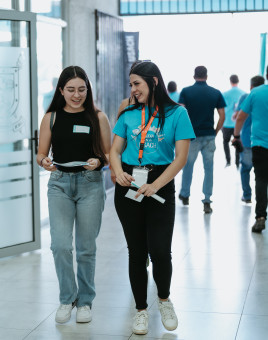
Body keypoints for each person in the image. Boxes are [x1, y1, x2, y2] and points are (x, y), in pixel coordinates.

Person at [110, 61, 195, 335]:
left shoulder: (178, 114)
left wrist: (156, 185)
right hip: (129, 185)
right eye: (131, 84)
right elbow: (115, 150)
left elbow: (180, 158)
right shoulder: (128, 112)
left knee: (159, 250)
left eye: (137, 84)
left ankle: (164, 300)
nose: (133, 90)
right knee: (136, 252)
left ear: (154, 82)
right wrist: (118, 171)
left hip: (160, 184)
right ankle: (141, 310)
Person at [37, 65, 111, 323]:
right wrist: (44, 161)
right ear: (61, 90)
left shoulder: (98, 117)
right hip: (59, 185)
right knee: (60, 245)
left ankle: (85, 302)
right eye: (71, 90)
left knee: (85, 248)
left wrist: (99, 161)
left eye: (82, 89)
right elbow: (40, 154)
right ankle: (67, 298)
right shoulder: (51, 118)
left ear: (88, 90)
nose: (76, 94)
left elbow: (109, 154)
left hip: (90, 184)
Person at [178, 66, 226, 213]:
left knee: (187, 166)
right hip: (209, 136)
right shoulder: (215, 93)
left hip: (191, 137)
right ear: (206, 75)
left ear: (194, 76)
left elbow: (181, 113)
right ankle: (207, 200)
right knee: (209, 169)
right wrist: (215, 131)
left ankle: (185, 195)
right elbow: (222, 116)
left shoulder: (186, 92)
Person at [233, 67, 268, 233]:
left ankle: (260, 217)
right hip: (259, 144)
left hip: (260, 145)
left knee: (261, 180)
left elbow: (240, 117)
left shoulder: (256, 93)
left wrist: (236, 136)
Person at [232, 75, 265, 203]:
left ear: (251, 86)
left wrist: (236, 136)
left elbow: (237, 117)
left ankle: (247, 195)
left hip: (246, 139)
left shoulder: (245, 97)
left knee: (245, 169)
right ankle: (262, 200)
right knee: (261, 173)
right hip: (262, 140)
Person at [222, 74, 245, 167]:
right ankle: (237, 162)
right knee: (238, 142)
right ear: (238, 81)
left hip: (227, 123)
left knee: (225, 142)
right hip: (238, 124)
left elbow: (221, 108)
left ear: (230, 81)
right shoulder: (243, 94)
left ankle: (228, 161)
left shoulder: (224, 94)